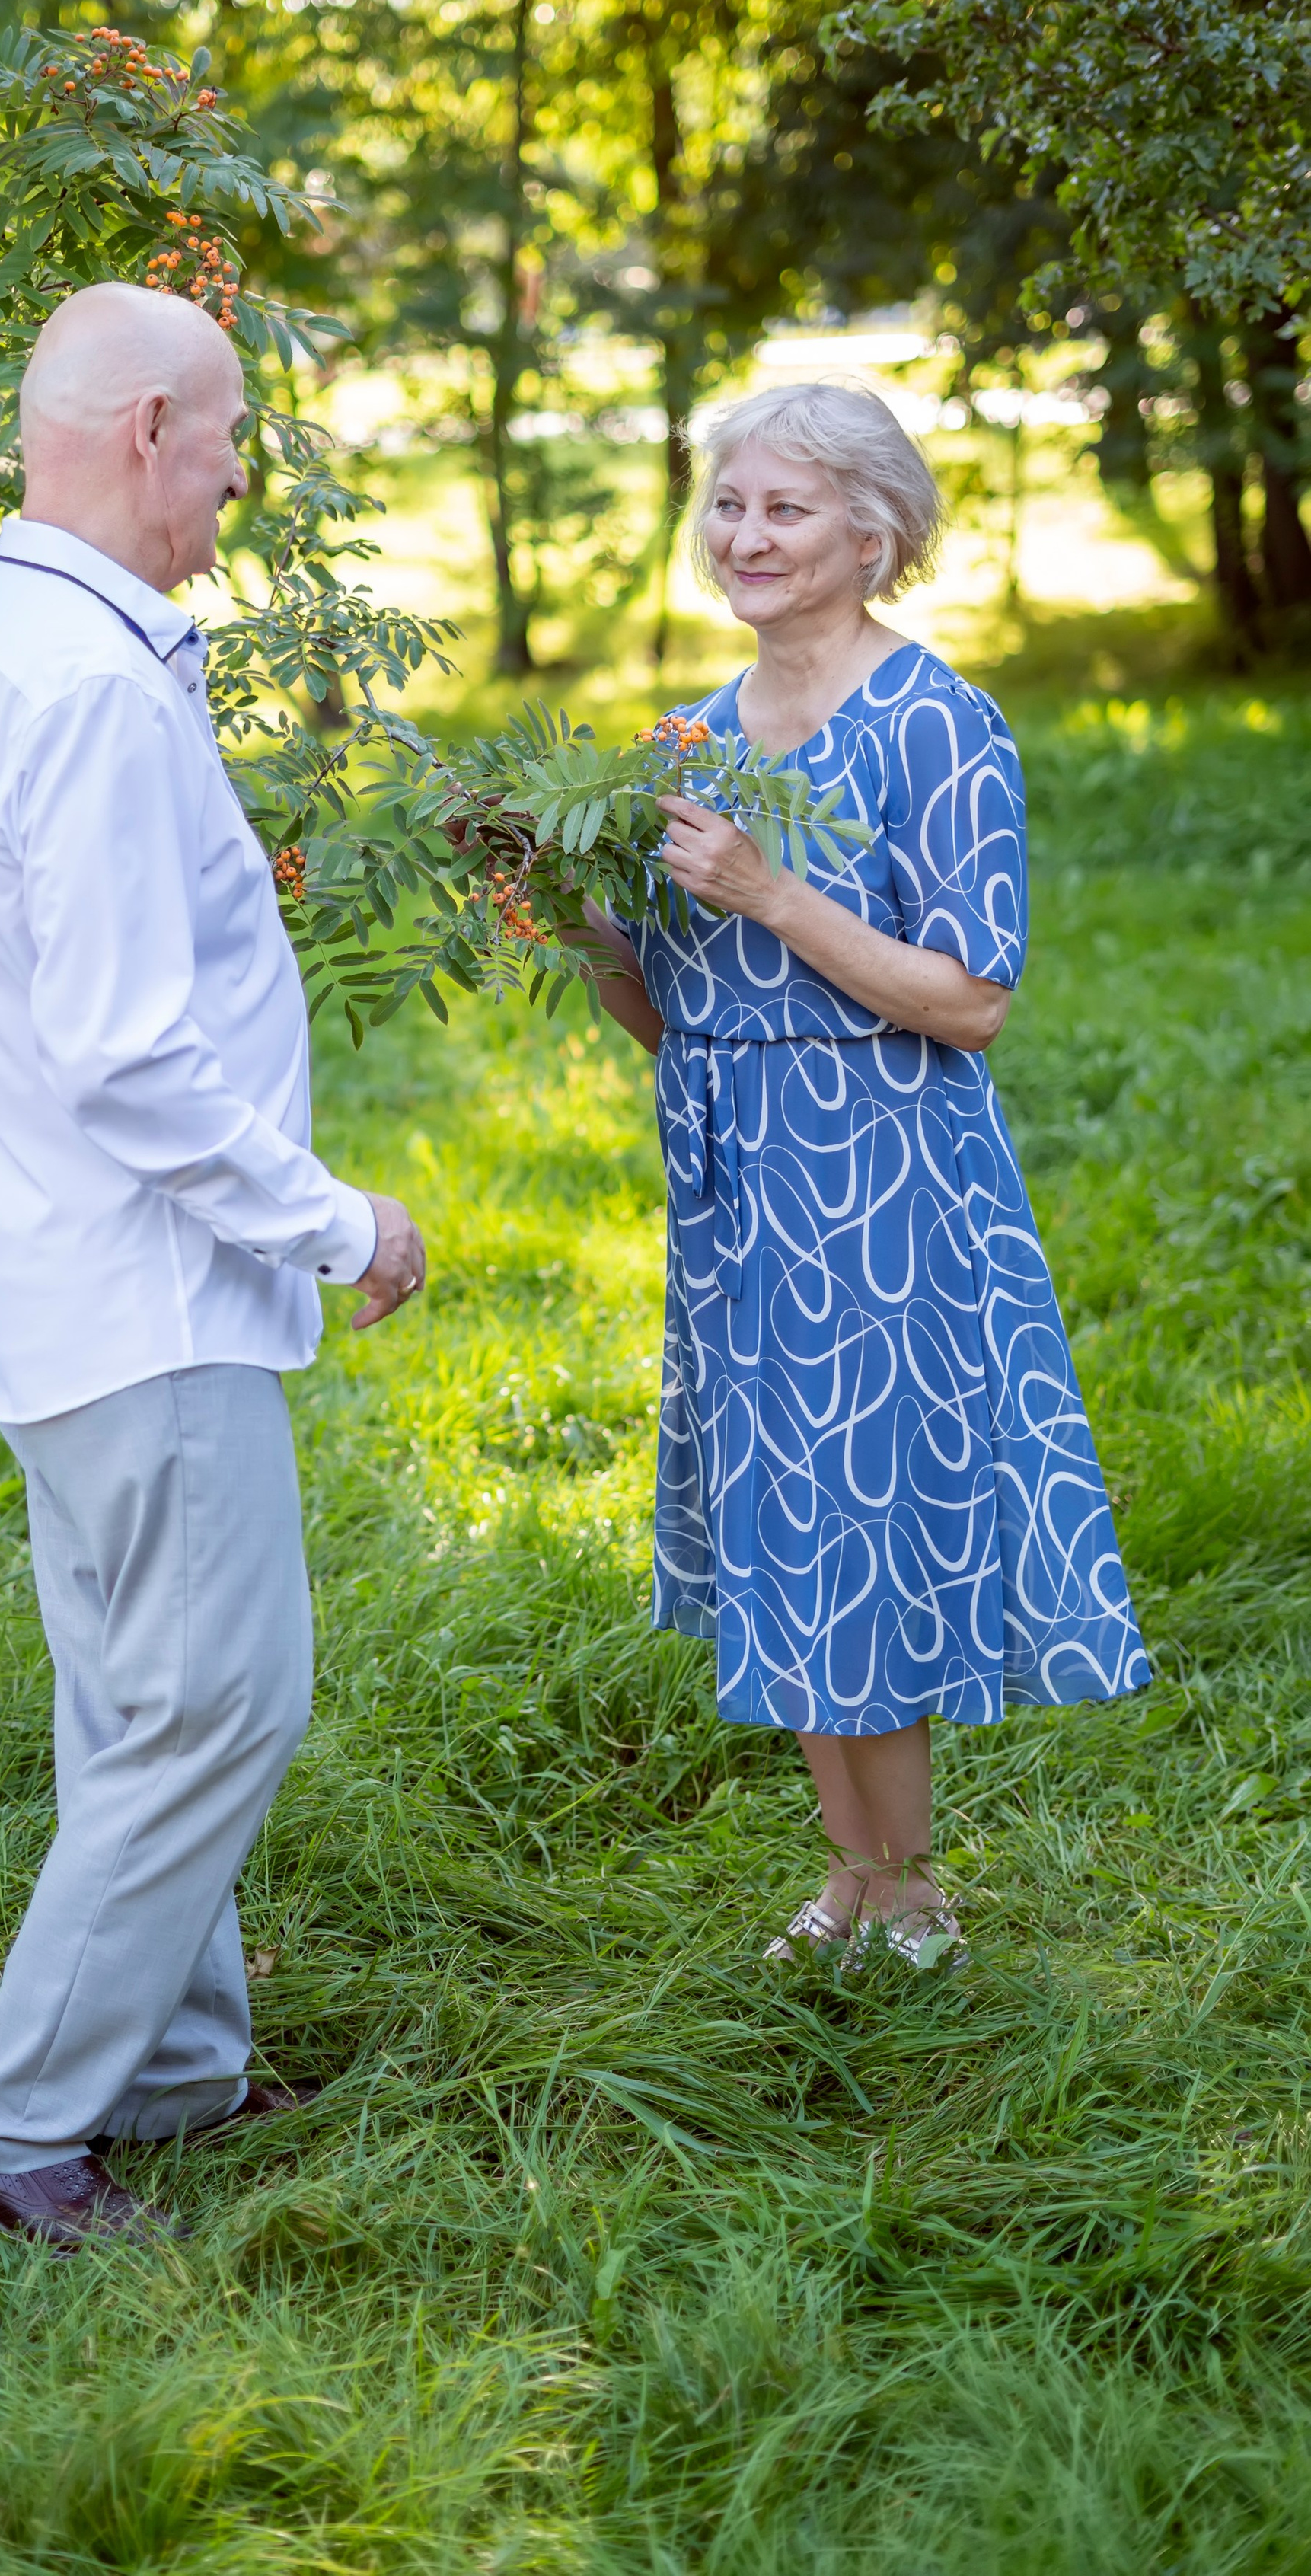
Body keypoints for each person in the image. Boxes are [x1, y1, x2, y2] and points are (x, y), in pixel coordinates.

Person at [0, 282, 426, 2250]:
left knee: (141, 1703)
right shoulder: (93, 683)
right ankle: (13, 2123)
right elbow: (130, 1053)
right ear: (142, 428)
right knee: (221, 1705)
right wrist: (334, 1221)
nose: (231, 472)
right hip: (145, 1287)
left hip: (57, 1279)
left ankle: (175, 2068)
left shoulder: (8, 638)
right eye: (222, 436)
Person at [579, 379, 1149, 1965]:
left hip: (883, 1181)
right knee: (784, 1521)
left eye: (782, 509)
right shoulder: (684, 738)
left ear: (870, 534)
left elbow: (969, 998)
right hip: (734, 1179)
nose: (742, 536)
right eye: (726, 506)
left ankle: (908, 1893)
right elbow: (664, 1014)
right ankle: (848, 1872)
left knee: (861, 1522)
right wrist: (570, 914)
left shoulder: (935, 724)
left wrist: (766, 891)